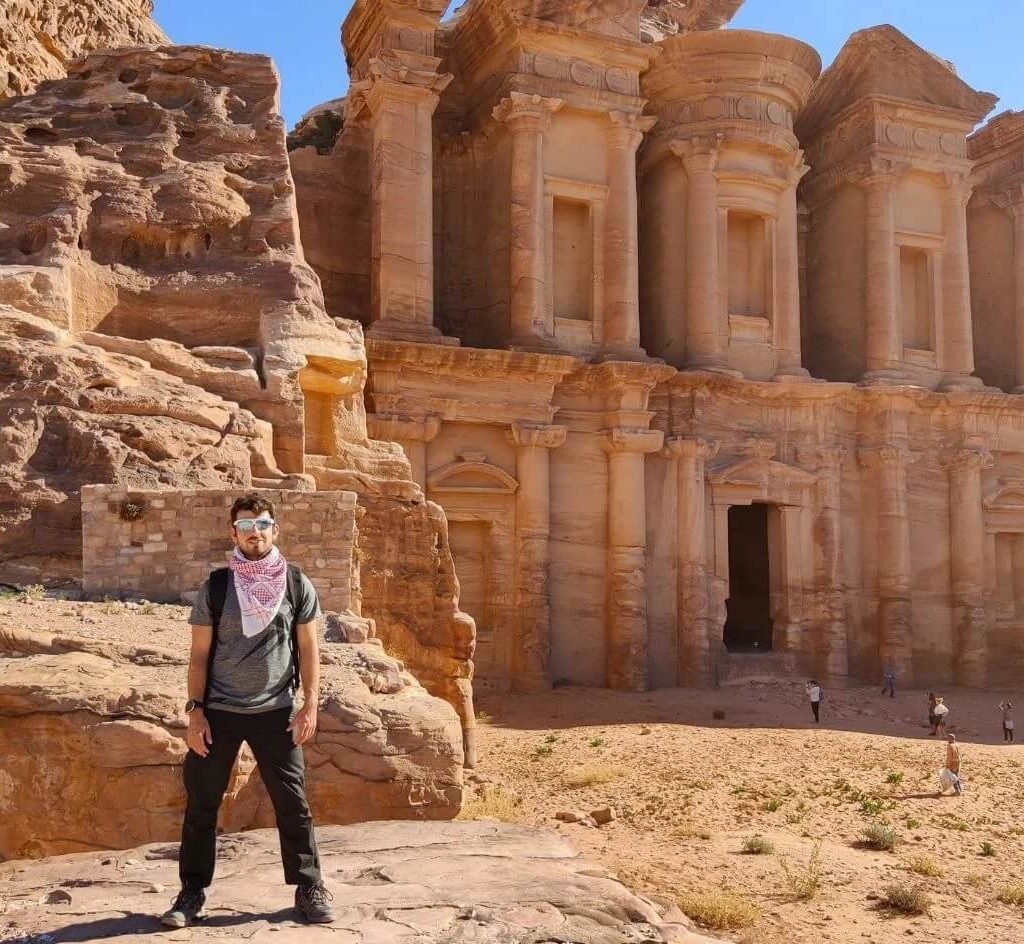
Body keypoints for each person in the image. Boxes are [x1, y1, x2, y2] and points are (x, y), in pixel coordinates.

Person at [161, 494, 335, 928]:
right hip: (219, 711)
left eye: (262, 524)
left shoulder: (295, 583)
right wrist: (195, 712)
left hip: (276, 710)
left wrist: (309, 704)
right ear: (232, 532)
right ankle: (192, 892)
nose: (254, 532)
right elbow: (199, 655)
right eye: (245, 525)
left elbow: (310, 647)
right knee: (202, 803)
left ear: (274, 530)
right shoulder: (218, 587)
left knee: (293, 802)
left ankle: (309, 886)